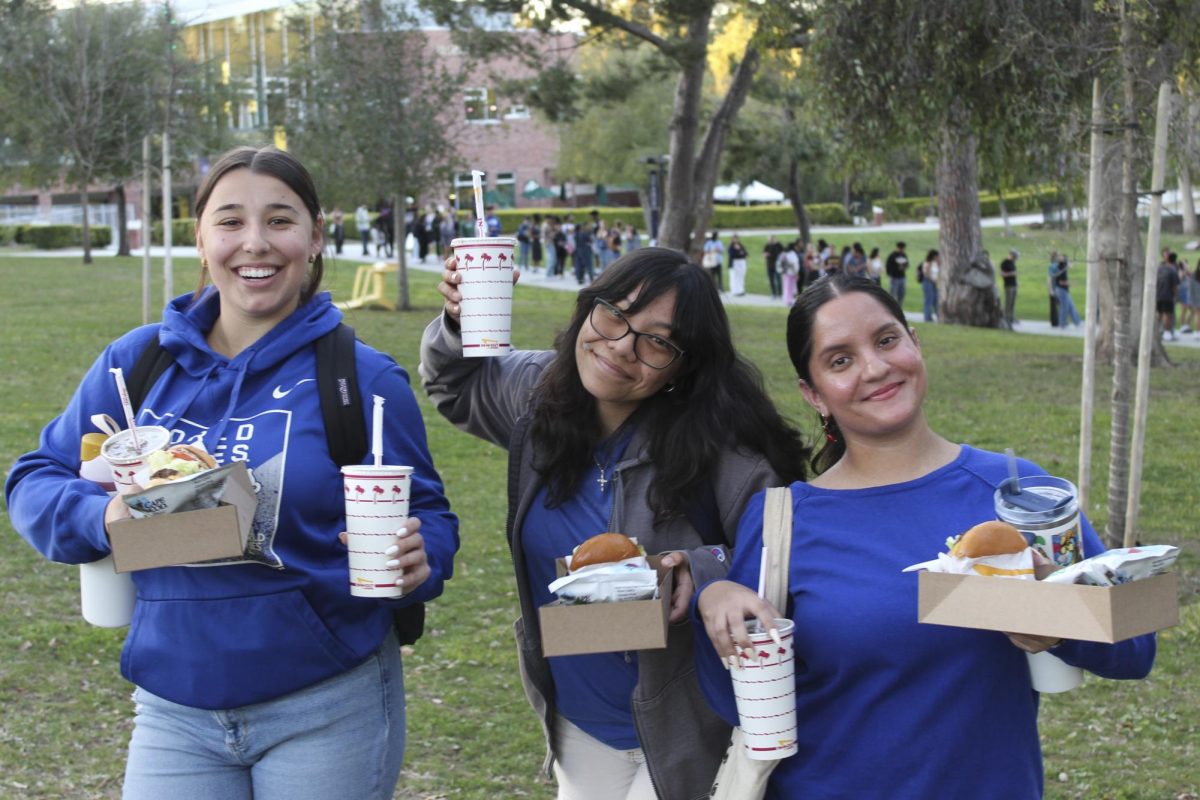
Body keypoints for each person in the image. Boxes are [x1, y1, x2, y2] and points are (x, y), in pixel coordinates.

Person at [5, 146, 459, 798]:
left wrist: (424, 557)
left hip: (328, 703)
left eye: (279, 220)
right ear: (200, 238)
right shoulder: (134, 368)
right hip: (174, 708)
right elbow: (31, 478)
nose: (255, 243)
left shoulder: (360, 379)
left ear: (316, 237)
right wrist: (104, 517)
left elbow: (431, 514)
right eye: (230, 222)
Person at [693, 272, 1156, 800]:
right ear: (814, 393)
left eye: (887, 340)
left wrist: (1058, 619)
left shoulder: (1019, 491)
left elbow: (1136, 648)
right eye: (840, 360)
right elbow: (734, 696)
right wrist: (714, 595)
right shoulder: (784, 519)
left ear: (916, 342)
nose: (875, 368)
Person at [419, 248, 809, 800]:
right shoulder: (540, 398)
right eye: (614, 314)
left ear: (682, 365)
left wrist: (706, 570)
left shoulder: (725, 454)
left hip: (689, 729)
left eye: (656, 341)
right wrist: (460, 322)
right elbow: (454, 382)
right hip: (577, 728)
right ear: (587, 309)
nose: (621, 346)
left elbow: (782, 565)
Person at [1156, 251, 1181, 341]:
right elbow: (1174, 286)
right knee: (1168, 315)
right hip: (1168, 296)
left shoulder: (1160, 269)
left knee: (1159, 314)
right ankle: (1167, 333)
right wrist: (1176, 296)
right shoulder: (1173, 271)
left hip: (1158, 295)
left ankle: (1156, 330)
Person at [1051, 254, 1081, 327]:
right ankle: (1062, 323)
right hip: (1061, 290)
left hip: (1064, 290)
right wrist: (1071, 283)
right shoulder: (1060, 268)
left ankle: (1077, 322)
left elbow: (1069, 265)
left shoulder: (1063, 267)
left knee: (1071, 306)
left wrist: (1073, 261)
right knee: (1065, 307)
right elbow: (1060, 282)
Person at [885, 240, 909, 307]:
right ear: (897, 247)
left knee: (901, 294)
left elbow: (907, 264)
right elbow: (888, 266)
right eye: (901, 248)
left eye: (903, 249)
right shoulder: (892, 256)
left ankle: (899, 307)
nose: (902, 250)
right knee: (893, 294)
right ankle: (891, 307)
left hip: (902, 277)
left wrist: (904, 267)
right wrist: (895, 269)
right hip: (894, 277)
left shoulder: (904, 255)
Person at [919, 248, 940, 322]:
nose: (938, 257)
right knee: (929, 300)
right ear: (934, 256)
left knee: (936, 300)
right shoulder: (927, 263)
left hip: (935, 283)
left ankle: (939, 316)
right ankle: (927, 317)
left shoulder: (936, 263)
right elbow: (926, 274)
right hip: (928, 282)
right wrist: (933, 280)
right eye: (937, 256)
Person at [1000, 248, 1019, 329]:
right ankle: (1006, 319)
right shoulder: (1004, 263)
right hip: (1008, 285)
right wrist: (1011, 274)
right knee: (1008, 303)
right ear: (1011, 255)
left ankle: (1011, 318)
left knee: (1012, 303)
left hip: (1014, 285)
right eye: (1015, 257)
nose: (1015, 259)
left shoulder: (1012, 263)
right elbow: (1002, 274)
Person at [779, 240, 801, 307]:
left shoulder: (784, 254)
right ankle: (790, 300)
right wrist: (796, 273)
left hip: (785, 273)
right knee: (791, 287)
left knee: (786, 287)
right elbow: (794, 264)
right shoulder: (792, 254)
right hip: (791, 273)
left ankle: (786, 300)